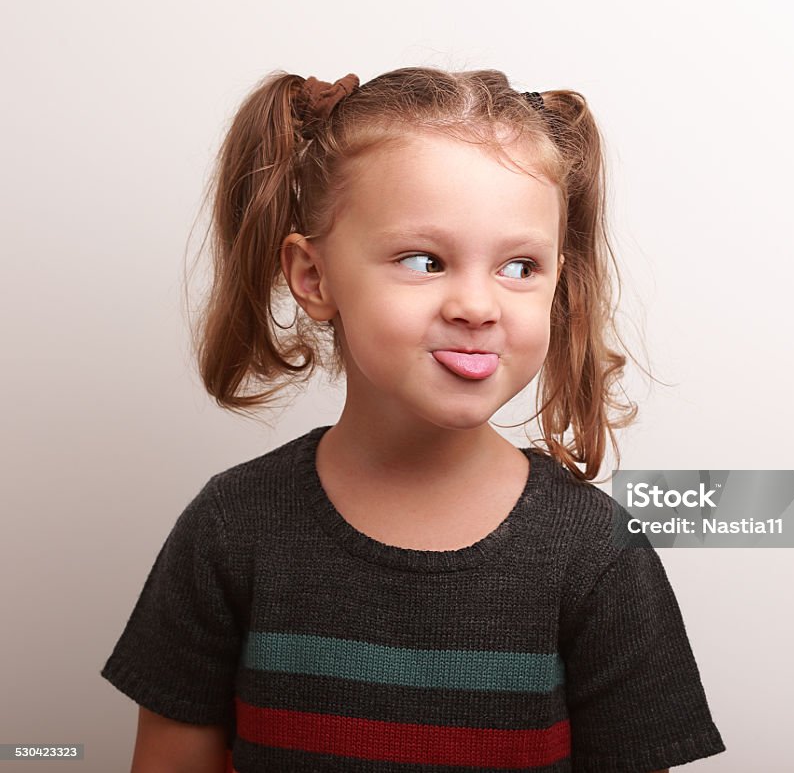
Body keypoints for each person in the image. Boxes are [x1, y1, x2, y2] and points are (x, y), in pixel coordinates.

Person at [101, 67, 726, 773]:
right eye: (424, 260)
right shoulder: (232, 527)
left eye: (520, 266)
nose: (477, 305)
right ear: (314, 278)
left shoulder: (596, 554)